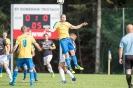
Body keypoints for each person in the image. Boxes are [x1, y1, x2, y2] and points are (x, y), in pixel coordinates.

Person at [119, 24, 133, 88]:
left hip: (127, 56)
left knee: (128, 71)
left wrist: (120, 58)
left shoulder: (124, 38)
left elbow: (121, 49)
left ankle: (129, 85)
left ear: (126, 30)